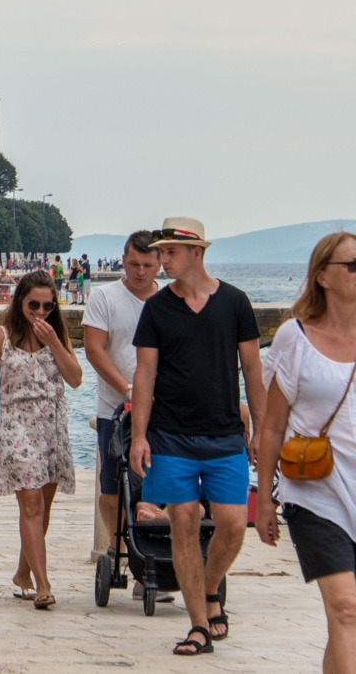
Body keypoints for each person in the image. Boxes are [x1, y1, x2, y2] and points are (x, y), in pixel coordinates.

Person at [129, 217, 265, 657]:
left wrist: (261, 429)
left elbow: (253, 372)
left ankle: (207, 591)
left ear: (196, 254)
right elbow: (144, 375)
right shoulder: (157, 309)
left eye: (168, 253)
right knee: (183, 523)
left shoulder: (235, 302)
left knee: (231, 526)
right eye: (159, 252)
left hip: (225, 434)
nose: (160, 260)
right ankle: (198, 626)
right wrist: (138, 436)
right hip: (170, 436)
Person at [258, 231, 356, 673]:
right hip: (315, 491)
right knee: (346, 608)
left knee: (348, 623)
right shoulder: (294, 338)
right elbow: (273, 424)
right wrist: (263, 500)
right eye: (351, 266)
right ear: (323, 277)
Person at [0, 269, 81, 611]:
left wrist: (56, 342)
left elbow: (75, 379)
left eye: (48, 305)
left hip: (52, 428)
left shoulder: (57, 335)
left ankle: (22, 574)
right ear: (20, 301)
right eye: (33, 304)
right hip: (17, 427)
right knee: (30, 505)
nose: (41, 311)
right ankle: (43, 584)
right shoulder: (2, 336)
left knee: (42, 509)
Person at [82, 230, 162, 594]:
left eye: (148, 265)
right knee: (113, 483)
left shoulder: (168, 300)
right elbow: (95, 349)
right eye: (133, 264)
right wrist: (128, 388)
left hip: (164, 409)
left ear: (160, 263)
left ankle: (156, 552)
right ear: (123, 261)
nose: (140, 272)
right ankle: (119, 547)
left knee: (157, 482)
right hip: (114, 407)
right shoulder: (105, 296)